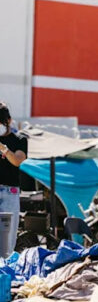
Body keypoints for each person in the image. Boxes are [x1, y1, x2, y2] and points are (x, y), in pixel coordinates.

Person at [0, 102, 27, 254]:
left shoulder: (20, 139)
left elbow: (17, 160)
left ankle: (3, 271)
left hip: (9, 192)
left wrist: (3, 148)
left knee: (7, 238)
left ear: (9, 121)